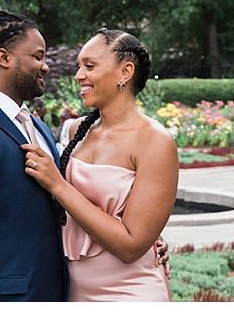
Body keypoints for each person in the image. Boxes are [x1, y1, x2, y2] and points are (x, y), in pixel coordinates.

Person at [0, 12, 169, 301]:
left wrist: (146, 232)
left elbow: (62, 202)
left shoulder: (35, 125)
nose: (47, 66)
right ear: (4, 58)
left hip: (74, 291)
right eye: (38, 56)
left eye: (89, 65)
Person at [23, 28, 179, 301]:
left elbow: (131, 245)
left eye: (90, 66)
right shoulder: (74, 131)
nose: (79, 75)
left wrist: (58, 185)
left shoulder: (155, 142)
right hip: (70, 290)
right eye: (79, 66)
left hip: (129, 292)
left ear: (125, 72)